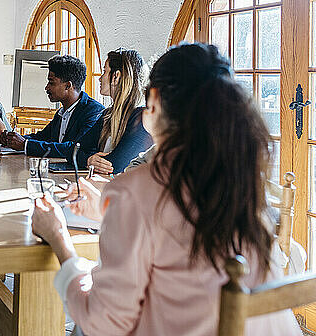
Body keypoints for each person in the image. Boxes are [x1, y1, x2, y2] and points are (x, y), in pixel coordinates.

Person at [31, 43, 301, 336]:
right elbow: (179, 230)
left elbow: (101, 323)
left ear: (155, 101)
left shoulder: (137, 190)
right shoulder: (242, 183)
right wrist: (105, 209)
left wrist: (59, 239)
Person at [0, 55, 104, 157]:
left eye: (51, 83)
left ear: (68, 85)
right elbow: (43, 137)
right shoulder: (62, 112)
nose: (46, 87)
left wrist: (25, 145)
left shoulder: (94, 112)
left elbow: (74, 148)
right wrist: (13, 140)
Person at [68, 49, 153, 174]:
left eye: (104, 71)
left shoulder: (142, 117)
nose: (100, 78)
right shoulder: (108, 115)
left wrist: (89, 158)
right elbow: (72, 150)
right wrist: (89, 160)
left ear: (116, 76)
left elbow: (115, 166)